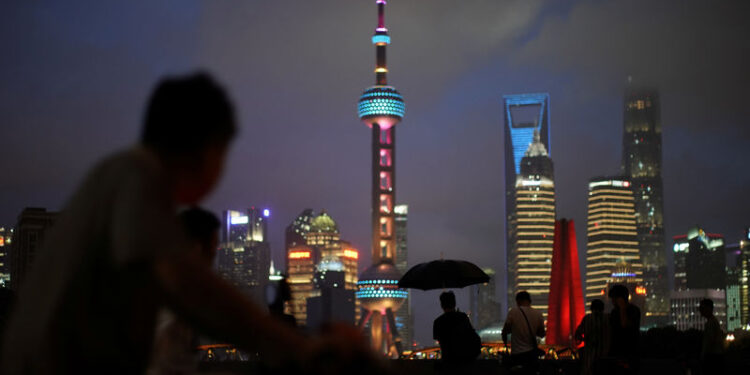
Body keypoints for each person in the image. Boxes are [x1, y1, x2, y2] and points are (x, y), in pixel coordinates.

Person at [1, 72, 371, 374]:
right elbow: (185, 283)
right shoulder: (137, 175)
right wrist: (299, 349)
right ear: (205, 146)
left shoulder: (116, 180)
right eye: (223, 154)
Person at [148, 207, 221, 374]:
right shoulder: (179, 296)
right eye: (213, 248)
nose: (214, 256)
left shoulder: (161, 283)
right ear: (196, 248)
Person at [502, 291, 545, 373]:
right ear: (529, 301)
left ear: (518, 301)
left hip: (517, 354)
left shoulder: (513, 312)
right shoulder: (538, 314)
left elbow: (505, 330)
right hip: (531, 355)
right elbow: (541, 334)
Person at [432, 291, 481, 365]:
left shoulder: (438, 322)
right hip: (464, 362)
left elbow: (439, 339)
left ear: (442, 305)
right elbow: (472, 335)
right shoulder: (463, 317)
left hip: (447, 362)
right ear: (454, 303)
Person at [607, 284, 640, 374]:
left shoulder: (634, 310)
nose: (612, 302)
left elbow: (625, 324)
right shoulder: (614, 312)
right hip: (615, 353)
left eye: (613, 299)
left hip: (629, 353)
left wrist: (622, 308)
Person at [575, 299, 610, 375]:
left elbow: (578, 335)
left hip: (590, 357)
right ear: (603, 308)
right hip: (606, 356)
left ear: (591, 308)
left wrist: (584, 339)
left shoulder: (587, 318)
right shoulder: (608, 318)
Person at [699, 298, 725, 375]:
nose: (700, 310)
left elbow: (709, 341)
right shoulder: (714, 321)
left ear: (708, 308)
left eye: (702, 308)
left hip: (712, 357)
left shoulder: (710, 323)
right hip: (716, 356)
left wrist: (703, 355)